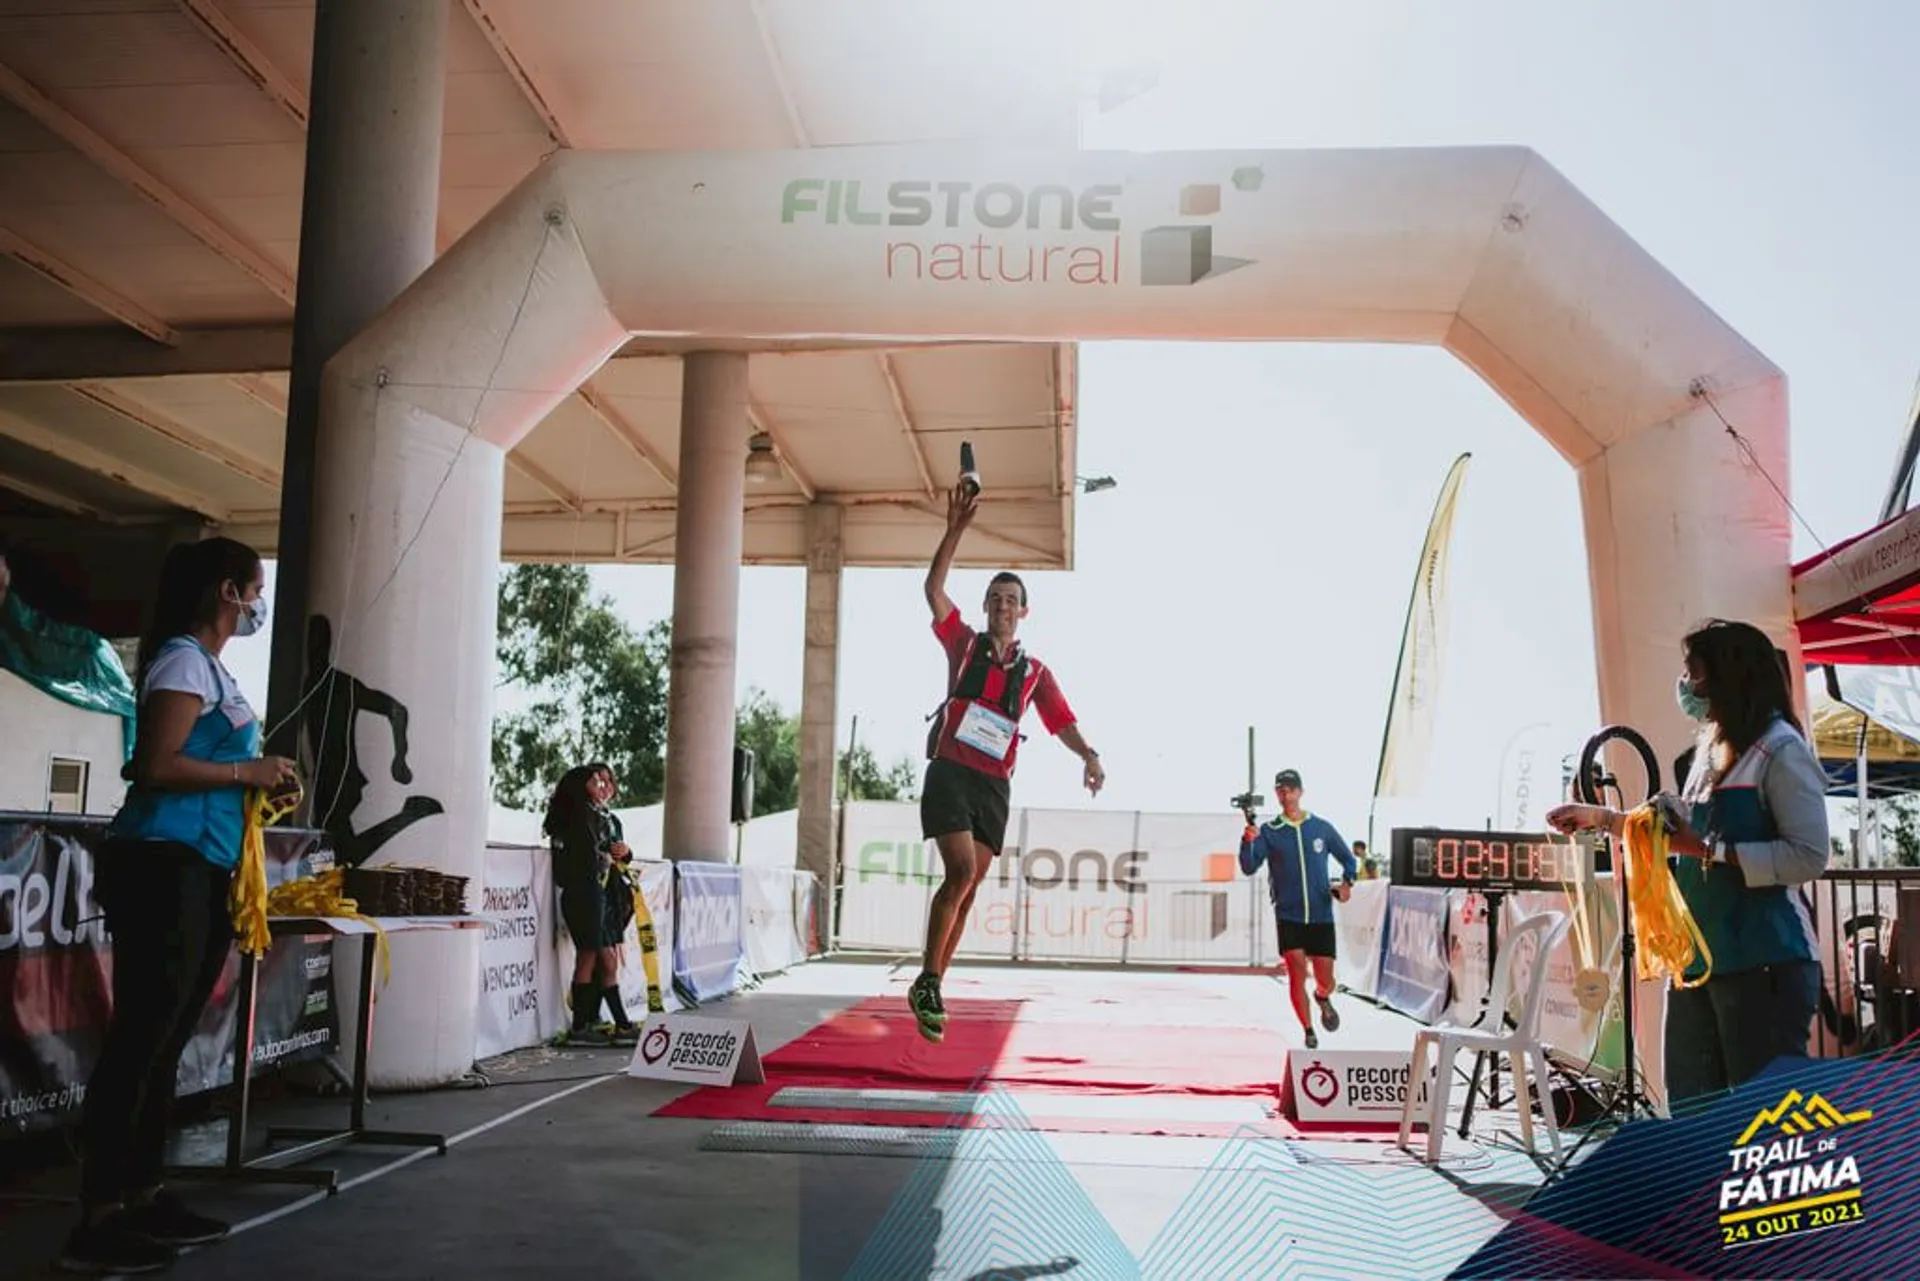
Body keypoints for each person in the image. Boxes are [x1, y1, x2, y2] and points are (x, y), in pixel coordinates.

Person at [62, 537, 296, 1275]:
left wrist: (259, 783)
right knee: (141, 1037)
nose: (258, 602)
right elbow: (155, 763)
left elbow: (208, 768)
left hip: (204, 865)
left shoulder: (214, 671)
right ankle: (98, 1213)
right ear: (227, 591)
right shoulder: (181, 660)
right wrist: (244, 768)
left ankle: (144, 1190)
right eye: (254, 589)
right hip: (163, 863)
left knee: (166, 1040)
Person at [1548, 619, 1829, 1104]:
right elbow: (1671, 834)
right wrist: (1602, 819)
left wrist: (1710, 851)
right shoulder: (1709, 750)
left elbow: (1809, 856)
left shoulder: (1782, 749)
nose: (1686, 685)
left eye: (1693, 672)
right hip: (1699, 963)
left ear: (1727, 675)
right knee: (1692, 1109)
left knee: (1762, 1123)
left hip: (1765, 963)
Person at [910, 481, 1104, 1042]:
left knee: (969, 890)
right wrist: (956, 529)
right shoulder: (964, 646)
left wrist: (1089, 755)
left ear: (1023, 611)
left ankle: (934, 986)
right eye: (994, 598)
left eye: (1010, 600)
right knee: (961, 872)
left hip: (994, 785)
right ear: (986, 608)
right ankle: (926, 978)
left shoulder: (1035, 672)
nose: (1001, 607)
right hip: (950, 771)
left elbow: (1061, 720)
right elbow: (933, 588)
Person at [1240, 769, 1357, 1049]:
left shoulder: (1321, 828)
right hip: (1288, 915)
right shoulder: (1269, 831)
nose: (1286, 793)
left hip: (1320, 915)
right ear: (1276, 794)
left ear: (1301, 792)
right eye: (1280, 789)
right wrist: (1247, 841)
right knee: (1296, 974)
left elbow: (1348, 860)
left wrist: (1347, 883)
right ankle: (1308, 1030)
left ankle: (1322, 996)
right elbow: (1248, 866)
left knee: (1325, 979)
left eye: (1291, 788)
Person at [544, 762, 636, 1046]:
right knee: (591, 956)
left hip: (604, 896)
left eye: (607, 781)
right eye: (597, 780)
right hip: (584, 893)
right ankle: (583, 1027)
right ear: (581, 785)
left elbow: (615, 855)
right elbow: (579, 860)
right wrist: (604, 859)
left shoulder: (604, 816)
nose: (603, 786)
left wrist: (625, 853)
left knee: (604, 958)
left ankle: (612, 1024)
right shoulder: (574, 816)